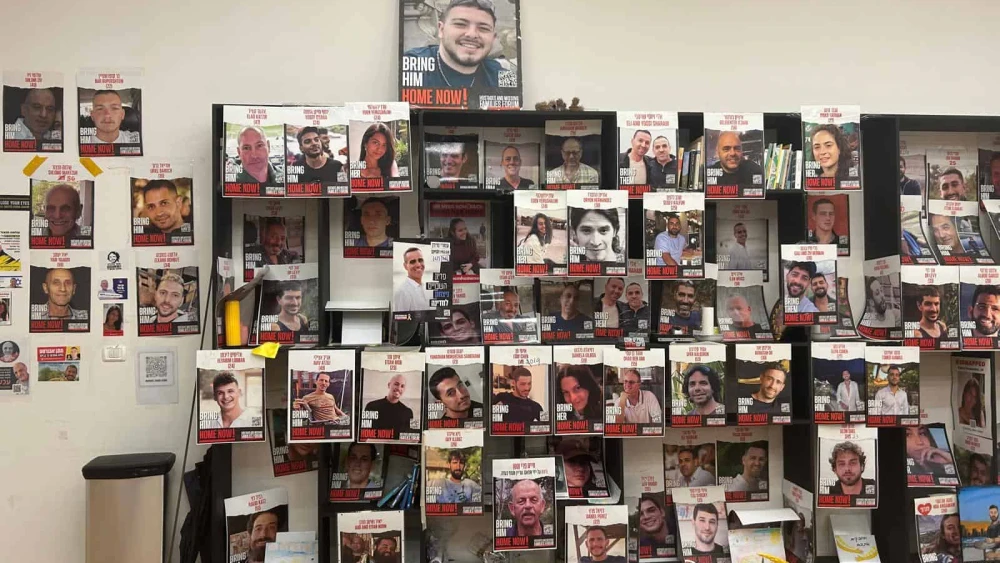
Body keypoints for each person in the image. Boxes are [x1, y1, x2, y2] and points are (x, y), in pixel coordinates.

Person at [402, 0, 503, 88]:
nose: (472, 34)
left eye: (483, 28)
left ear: (493, 37)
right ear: (441, 30)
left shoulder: (501, 75)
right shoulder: (410, 66)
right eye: (460, 24)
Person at [393, 247, 431, 313]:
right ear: (405, 266)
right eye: (413, 262)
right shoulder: (403, 292)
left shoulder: (426, 288)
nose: (418, 264)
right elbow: (401, 318)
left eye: (420, 260)